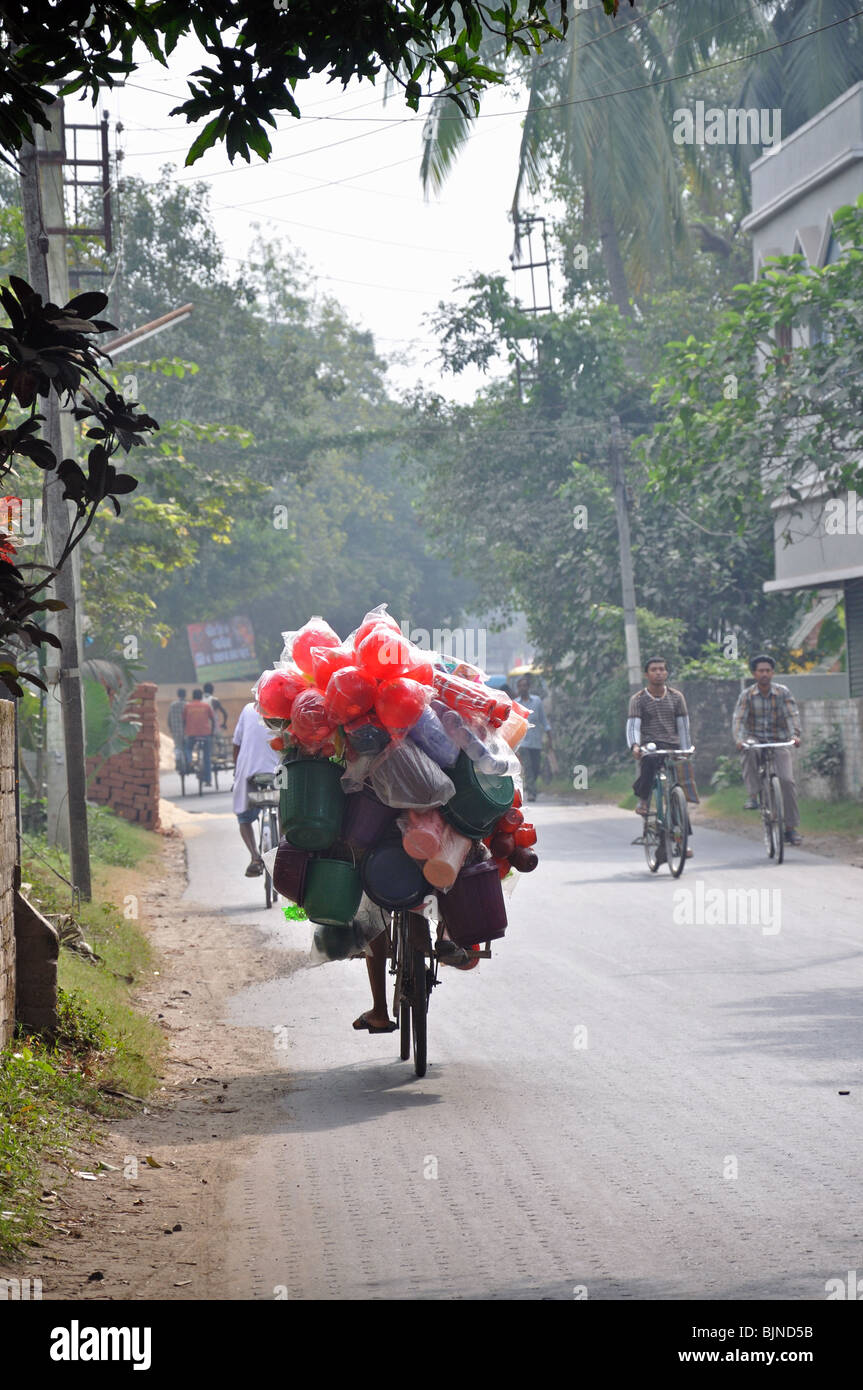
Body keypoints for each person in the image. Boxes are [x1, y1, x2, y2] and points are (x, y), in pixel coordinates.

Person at [626, 656, 694, 856]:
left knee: (678, 792)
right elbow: (633, 726)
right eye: (654, 669)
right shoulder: (638, 699)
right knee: (649, 761)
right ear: (647, 674)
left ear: (666, 673)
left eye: (662, 669)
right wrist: (635, 746)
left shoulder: (676, 697)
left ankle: (682, 841)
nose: (658, 672)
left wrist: (686, 749)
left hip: (672, 746)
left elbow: (683, 727)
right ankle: (644, 800)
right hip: (651, 746)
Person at [732, 654, 802, 846]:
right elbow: (739, 719)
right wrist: (740, 739)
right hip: (755, 738)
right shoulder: (747, 695)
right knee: (750, 750)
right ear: (754, 673)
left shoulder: (783, 692)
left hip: (778, 740)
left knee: (787, 781)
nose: (764, 674)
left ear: (772, 673)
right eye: (760, 671)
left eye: (768, 670)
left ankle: (791, 829)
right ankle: (753, 795)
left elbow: (792, 715)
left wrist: (795, 735)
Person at [232, 701, 282, 876]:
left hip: (251, 773)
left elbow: (236, 744)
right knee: (286, 806)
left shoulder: (248, 709)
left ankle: (254, 857)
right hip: (280, 771)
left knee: (244, 817)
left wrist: (236, 772)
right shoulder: (285, 708)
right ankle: (285, 850)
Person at [515, 674, 552, 802]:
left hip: (536, 742)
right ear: (518, 688)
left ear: (528, 687)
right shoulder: (516, 704)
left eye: (525, 685)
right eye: (520, 686)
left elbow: (543, 720)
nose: (523, 688)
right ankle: (531, 793)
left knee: (536, 768)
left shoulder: (537, 701)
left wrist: (549, 736)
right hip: (523, 743)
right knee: (528, 767)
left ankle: (530, 785)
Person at [183, 688, 215, 786]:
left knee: (188, 748)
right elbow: (213, 719)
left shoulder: (187, 707)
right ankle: (208, 780)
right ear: (201, 696)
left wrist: (186, 730)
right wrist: (212, 732)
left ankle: (190, 761)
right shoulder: (206, 706)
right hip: (205, 734)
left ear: (193, 697)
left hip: (192, 734)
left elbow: (183, 721)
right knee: (207, 757)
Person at [167, 688, 187, 770]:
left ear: (178, 695)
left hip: (175, 730)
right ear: (185, 695)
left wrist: (171, 728)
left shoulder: (172, 705)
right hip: (186, 731)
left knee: (177, 746)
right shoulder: (187, 705)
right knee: (186, 746)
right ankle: (187, 761)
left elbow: (169, 719)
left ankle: (178, 760)